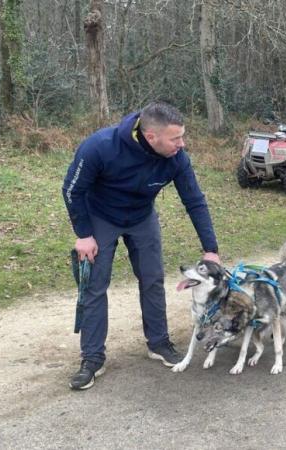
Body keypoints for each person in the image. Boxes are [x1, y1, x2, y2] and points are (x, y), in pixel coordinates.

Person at [62, 101, 221, 390]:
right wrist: (83, 234)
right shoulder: (100, 146)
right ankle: (92, 358)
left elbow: (194, 200)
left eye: (182, 136)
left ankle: (158, 342)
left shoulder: (176, 158)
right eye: (176, 138)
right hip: (100, 217)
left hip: (141, 217)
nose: (182, 144)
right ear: (151, 137)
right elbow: (72, 189)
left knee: (152, 279)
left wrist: (211, 249)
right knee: (95, 286)